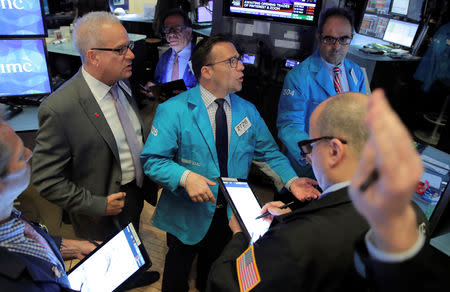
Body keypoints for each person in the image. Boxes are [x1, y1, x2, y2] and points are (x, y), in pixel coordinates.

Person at [208, 90, 448, 291]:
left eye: (310, 145)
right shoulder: (412, 211)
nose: (309, 157)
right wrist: (292, 218)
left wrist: (241, 237)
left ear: (334, 150)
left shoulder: (297, 240)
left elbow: (226, 284)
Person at [140, 34, 321, 292]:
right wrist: (185, 177)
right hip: (187, 213)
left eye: (239, 60)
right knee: (177, 272)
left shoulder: (248, 110)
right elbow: (153, 160)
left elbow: (269, 153)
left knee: (214, 271)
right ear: (207, 71)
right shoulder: (174, 110)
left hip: (230, 214)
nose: (242, 66)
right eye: (232, 61)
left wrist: (292, 181)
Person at [31, 11, 159, 286]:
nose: (131, 55)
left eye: (130, 46)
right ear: (93, 56)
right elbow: (45, 180)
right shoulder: (59, 109)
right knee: (106, 270)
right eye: (121, 50)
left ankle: (133, 276)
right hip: (98, 212)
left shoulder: (121, 84)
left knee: (131, 248)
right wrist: (97, 205)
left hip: (133, 194)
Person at [0, 120, 98, 291]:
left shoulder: (7, 214)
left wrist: (74, 248)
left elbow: (27, 237)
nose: (29, 153)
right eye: (19, 155)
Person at [277, 7, 366, 177]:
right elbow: (289, 126)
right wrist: (313, 154)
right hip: (309, 168)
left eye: (343, 39)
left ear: (351, 38)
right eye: (329, 39)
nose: (337, 46)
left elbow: (362, 117)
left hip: (346, 163)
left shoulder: (356, 73)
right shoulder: (298, 77)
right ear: (319, 38)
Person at [141, 9, 197, 99]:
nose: (171, 34)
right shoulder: (164, 58)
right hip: (168, 110)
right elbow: (158, 83)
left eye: (177, 29)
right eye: (167, 29)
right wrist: (154, 90)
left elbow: (211, 91)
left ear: (189, 32)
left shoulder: (201, 56)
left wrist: (187, 96)